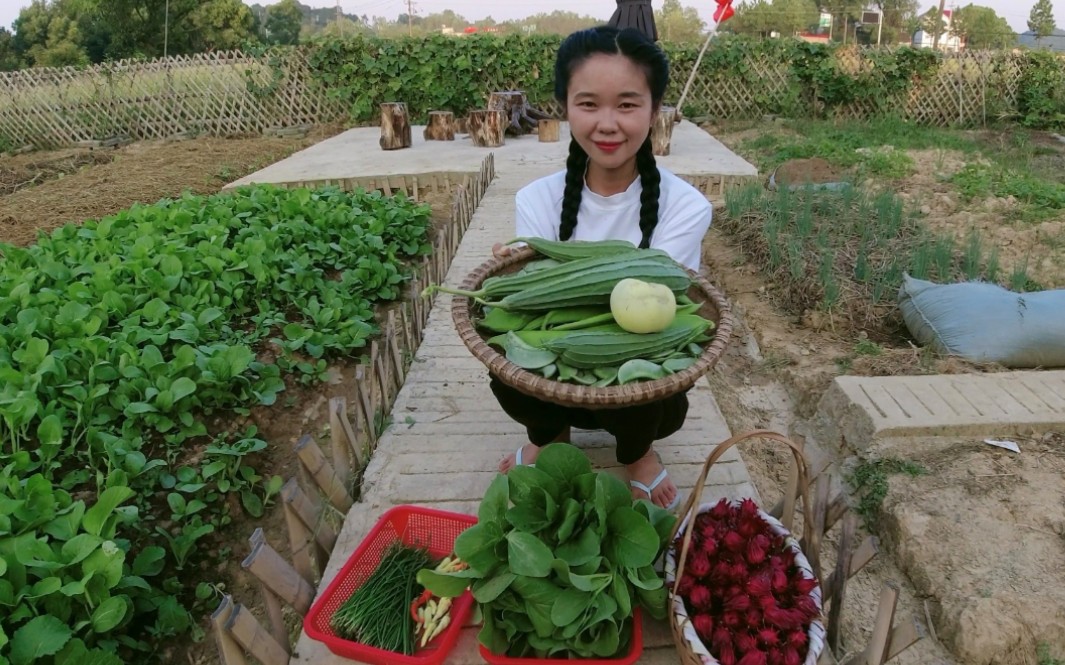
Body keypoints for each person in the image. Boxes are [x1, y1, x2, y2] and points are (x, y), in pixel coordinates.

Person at [489, 25, 712, 511]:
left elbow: (661, 313)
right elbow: (535, 313)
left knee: (652, 370)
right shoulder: (537, 199)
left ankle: (637, 454)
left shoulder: (685, 206)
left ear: (655, 111)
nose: (607, 124)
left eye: (628, 104)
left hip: (638, 373)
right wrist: (517, 281)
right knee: (508, 363)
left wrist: (543, 284)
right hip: (558, 369)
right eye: (588, 104)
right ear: (565, 107)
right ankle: (552, 437)